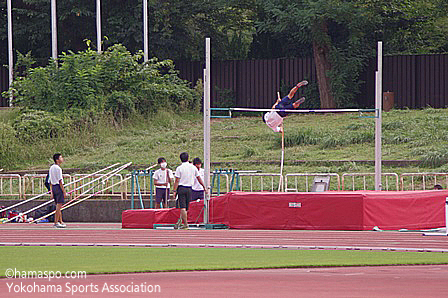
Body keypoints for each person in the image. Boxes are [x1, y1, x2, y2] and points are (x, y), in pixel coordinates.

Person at [172, 152, 207, 230]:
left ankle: (185, 224)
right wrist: (204, 187)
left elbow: (177, 180)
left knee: (182, 207)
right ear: (188, 158)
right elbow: (199, 178)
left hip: (181, 188)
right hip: (189, 188)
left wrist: (174, 191)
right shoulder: (193, 167)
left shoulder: (179, 168)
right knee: (186, 207)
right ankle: (182, 222)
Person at [49, 153, 66, 228]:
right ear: (57, 160)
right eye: (61, 158)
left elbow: (50, 181)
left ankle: (60, 221)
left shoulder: (51, 167)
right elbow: (60, 181)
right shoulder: (58, 169)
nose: (62, 159)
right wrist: (64, 191)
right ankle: (56, 222)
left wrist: (51, 192)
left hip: (54, 187)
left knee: (58, 205)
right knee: (59, 206)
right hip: (58, 187)